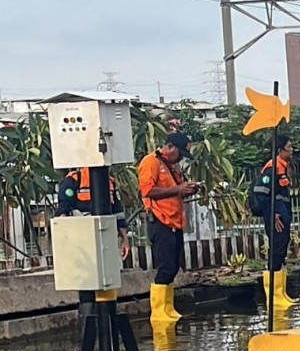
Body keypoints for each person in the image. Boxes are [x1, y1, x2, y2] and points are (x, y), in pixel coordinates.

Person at [138, 133, 199, 323]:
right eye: (179, 153)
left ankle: (169, 308)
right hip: (159, 220)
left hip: (174, 221)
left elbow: (175, 191)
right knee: (165, 267)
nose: (180, 158)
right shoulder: (151, 162)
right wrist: (178, 189)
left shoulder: (171, 166)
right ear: (170, 147)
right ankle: (158, 312)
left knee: (173, 266)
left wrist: (188, 189)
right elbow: (147, 191)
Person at [252, 135, 295, 310]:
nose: (291, 150)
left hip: (282, 215)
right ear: (280, 150)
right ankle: (274, 297)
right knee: (276, 251)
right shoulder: (272, 169)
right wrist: (273, 214)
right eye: (289, 148)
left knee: (281, 249)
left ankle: (280, 293)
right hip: (276, 217)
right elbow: (261, 193)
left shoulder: (282, 168)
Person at [55, 167, 130, 262]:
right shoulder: (73, 180)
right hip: (80, 239)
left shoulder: (109, 182)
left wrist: (125, 239)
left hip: (105, 238)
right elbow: (63, 211)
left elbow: (118, 213)